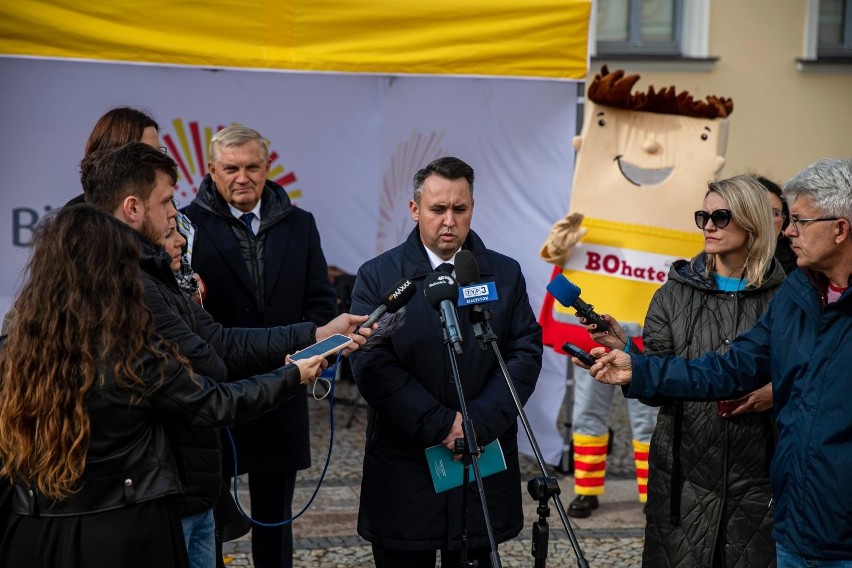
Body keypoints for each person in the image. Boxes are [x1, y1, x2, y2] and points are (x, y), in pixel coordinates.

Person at [81, 141, 368, 568]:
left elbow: (219, 340)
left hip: (195, 470)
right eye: (166, 203)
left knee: (273, 519)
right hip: (166, 477)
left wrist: (318, 332)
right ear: (132, 208)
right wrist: (293, 373)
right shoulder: (132, 287)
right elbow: (212, 367)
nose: (174, 217)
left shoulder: (156, 273)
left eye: (253, 166)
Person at [0, 205, 326, 568]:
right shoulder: (130, 354)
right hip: (123, 531)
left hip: (32, 534)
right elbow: (215, 403)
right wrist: (293, 375)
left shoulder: (13, 352)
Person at [585, 159, 852, 564]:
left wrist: (776, 391)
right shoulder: (799, 292)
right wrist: (637, 367)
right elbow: (728, 368)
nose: (790, 231)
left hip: (791, 503)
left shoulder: (781, 290)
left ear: (840, 228)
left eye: (799, 220)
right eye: (703, 216)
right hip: (769, 512)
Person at [348, 156, 543, 567]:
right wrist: (441, 424)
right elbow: (372, 364)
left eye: (460, 209)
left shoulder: (503, 274)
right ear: (415, 209)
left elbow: (524, 351)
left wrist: (477, 424)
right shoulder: (379, 276)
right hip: (406, 468)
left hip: (480, 459)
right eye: (438, 210)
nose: (449, 221)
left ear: (473, 207)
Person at [182, 124, 338, 568]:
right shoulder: (186, 229)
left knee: (276, 518)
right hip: (218, 393)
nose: (242, 177)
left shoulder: (301, 224)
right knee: (209, 519)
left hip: (283, 387)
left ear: (268, 167)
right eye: (231, 168)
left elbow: (320, 306)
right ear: (212, 170)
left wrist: (310, 361)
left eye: (252, 166)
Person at [757, 175, 798, 274]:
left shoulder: (797, 265)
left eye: (774, 213)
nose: (766, 219)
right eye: (759, 211)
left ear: (783, 220)